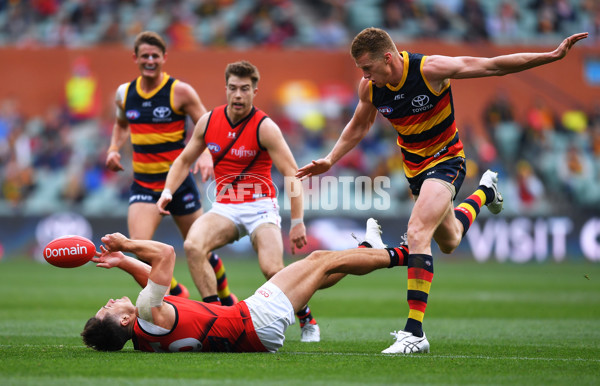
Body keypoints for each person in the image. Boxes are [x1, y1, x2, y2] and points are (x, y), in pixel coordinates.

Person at [297, 27, 588, 354]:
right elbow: (360, 124)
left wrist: (549, 55)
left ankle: (415, 333)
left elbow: (491, 65)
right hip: (415, 171)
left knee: (418, 231)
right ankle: (485, 194)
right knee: (449, 240)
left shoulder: (429, 70)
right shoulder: (371, 88)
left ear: (388, 58)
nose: (364, 76)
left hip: (447, 160)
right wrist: (330, 158)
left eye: (368, 68)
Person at [156, 60, 319, 342]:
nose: (238, 95)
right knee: (193, 246)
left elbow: (292, 175)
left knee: (272, 269)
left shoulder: (265, 127)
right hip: (225, 207)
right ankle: (215, 314)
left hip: (260, 208)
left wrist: (298, 222)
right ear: (226, 89)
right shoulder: (208, 121)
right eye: (233, 88)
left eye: (245, 89)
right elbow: (184, 160)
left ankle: (307, 318)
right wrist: (167, 191)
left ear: (255, 90)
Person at [81, 219, 400, 352]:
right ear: (124, 320)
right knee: (321, 260)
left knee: (318, 265)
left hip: (253, 330)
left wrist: (123, 261)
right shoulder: (149, 312)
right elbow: (166, 253)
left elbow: (163, 289)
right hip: (254, 318)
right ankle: (398, 255)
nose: (109, 301)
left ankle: (365, 250)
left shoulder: (144, 338)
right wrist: (127, 244)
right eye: (107, 308)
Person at [105, 31, 235, 304]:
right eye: (145, 56)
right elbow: (120, 124)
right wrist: (114, 148)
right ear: (135, 59)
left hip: (178, 183)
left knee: (200, 248)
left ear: (164, 58)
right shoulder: (124, 93)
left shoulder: (180, 91)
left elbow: (209, 125)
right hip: (143, 184)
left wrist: (206, 155)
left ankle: (224, 297)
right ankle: (177, 294)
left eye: (155, 55)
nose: (150, 60)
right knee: (141, 249)